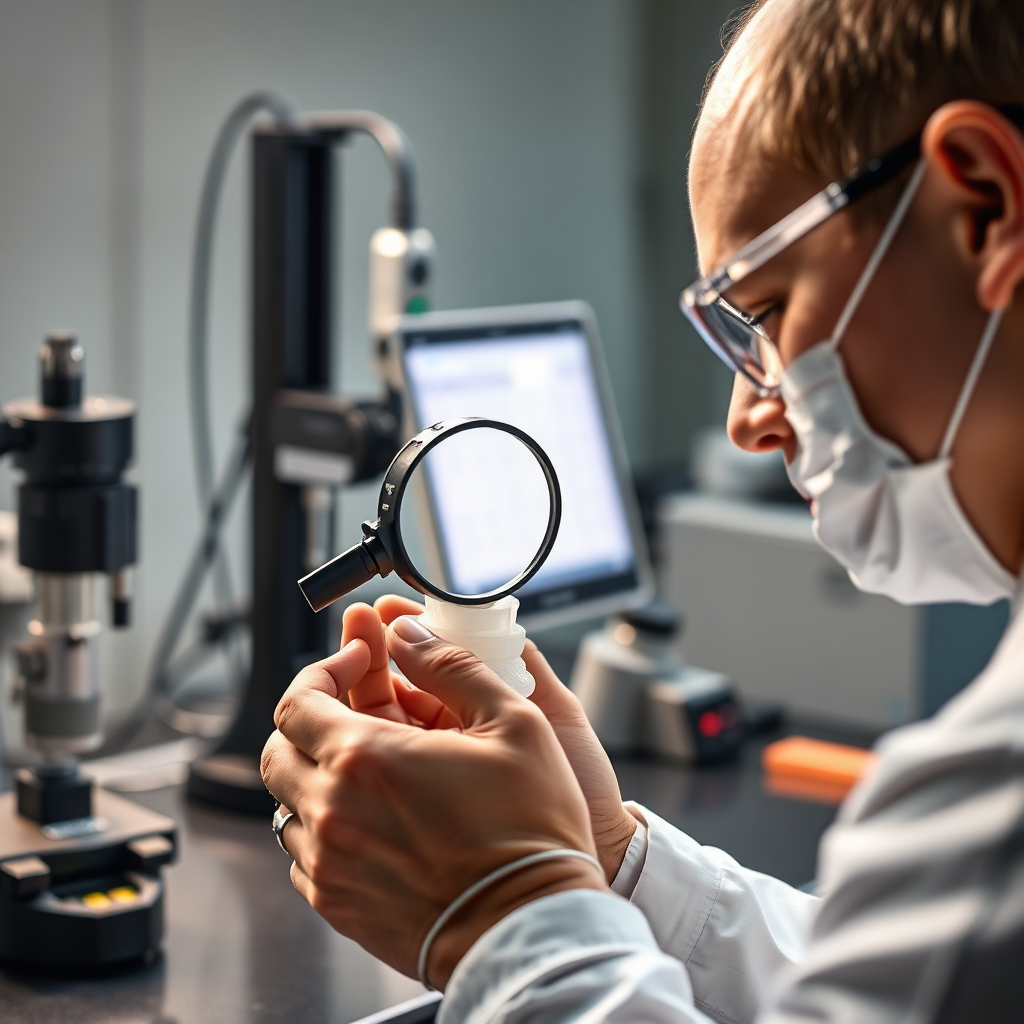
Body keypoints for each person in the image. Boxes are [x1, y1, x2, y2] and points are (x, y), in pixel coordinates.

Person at [259, 0, 1024, 1019]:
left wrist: (513, 915)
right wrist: (608, 860)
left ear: (981, 206)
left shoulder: (992, 806)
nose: (748, 420)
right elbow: (884, 986)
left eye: (760, 311)